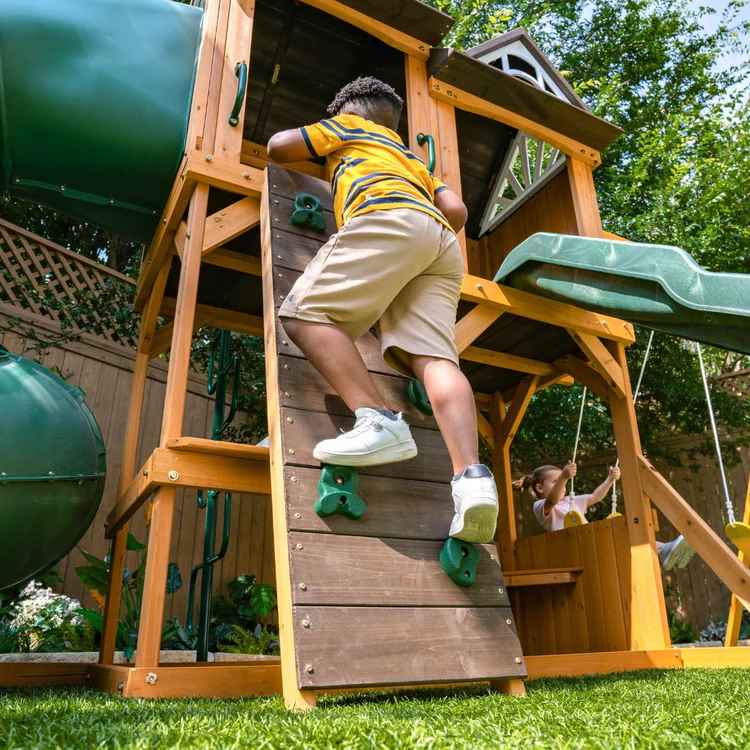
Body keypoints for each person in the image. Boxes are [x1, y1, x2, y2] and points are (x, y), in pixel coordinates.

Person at [266, 77, 498, 544]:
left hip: (386, 215)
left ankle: (377, 420)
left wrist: (329, 135)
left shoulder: (348, 127)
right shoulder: (411, 159)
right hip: (440, 243)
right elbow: (456, 210)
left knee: (305, 312)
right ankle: (473, 479)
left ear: (350, 113)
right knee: (435, 358)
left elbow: (278, 146)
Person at [513, 462, 696, 570]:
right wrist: (564, 477)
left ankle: (664, 551)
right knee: (621, 532)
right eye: (555, 481)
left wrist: (610, 479)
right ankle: (663, 552)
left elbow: (596, 496)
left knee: (626, 529)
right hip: (573, 549)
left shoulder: (571, 501)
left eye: (562, 481)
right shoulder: (541, 506)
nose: (562, 485)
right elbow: (552, 500)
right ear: (539, 488)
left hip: (588, 542)